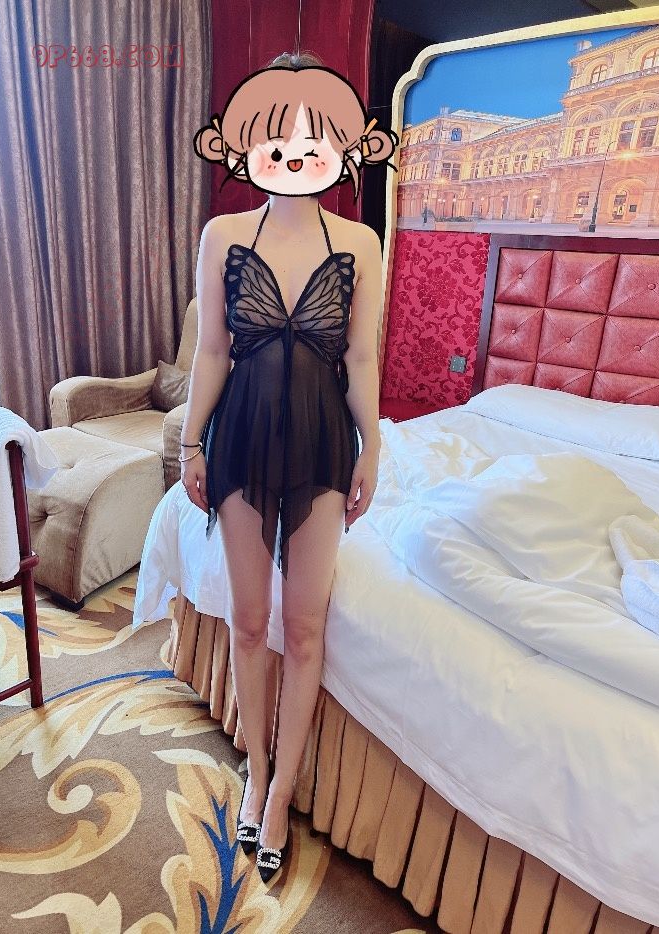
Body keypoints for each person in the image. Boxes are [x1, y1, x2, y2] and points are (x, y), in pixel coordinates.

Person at [184, 50, 398, 882]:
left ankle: (282, 793)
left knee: (304, 626)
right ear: (249, 145)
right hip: (239, 435)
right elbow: (211, 351)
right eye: (278, 139)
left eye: (316, 139)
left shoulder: (361, 242)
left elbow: (361, 358)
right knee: (249, 620)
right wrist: (190, 442)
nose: (296, 155)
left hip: (320, 444)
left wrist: (372, 444)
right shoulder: (224, 235)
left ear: (343, 147)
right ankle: (257, 768)